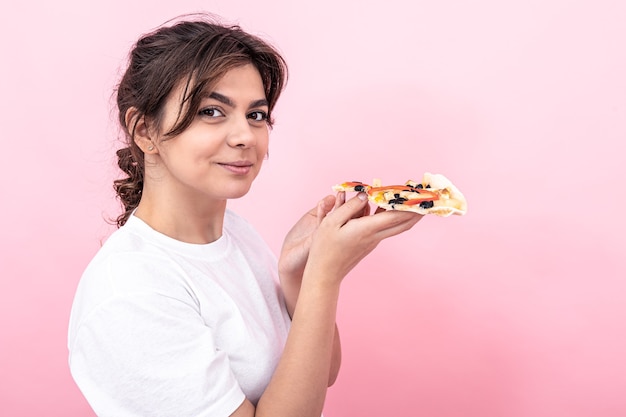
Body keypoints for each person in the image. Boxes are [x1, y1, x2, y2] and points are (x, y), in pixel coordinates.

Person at [68, 13, 422, 417]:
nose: (244, 137)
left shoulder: (233, 233)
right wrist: (326, 274)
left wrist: (298, 276)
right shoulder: (130, 295)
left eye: (256, 115)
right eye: (211, 112)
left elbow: (322, 372)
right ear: (144, 130)